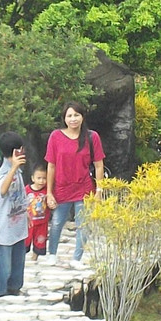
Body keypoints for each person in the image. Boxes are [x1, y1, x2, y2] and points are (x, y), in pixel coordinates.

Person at [45, 101, 104, 264]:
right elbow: (51, 165)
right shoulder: (55, 136)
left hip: (83, 187)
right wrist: (49, 192)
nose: (73, 119)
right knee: (57, 222)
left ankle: (77, 258)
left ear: (83, 117)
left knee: (83, 224)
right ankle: (52, 254)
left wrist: (99, 190)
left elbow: (99, 165)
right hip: (62, 187)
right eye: (69, 115)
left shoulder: (92, 137)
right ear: (64, 118)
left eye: (76, 115)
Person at [0, 132, 29, 297]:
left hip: (18, 223)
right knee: (3, 262)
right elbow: (2, 190)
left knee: (18, 260)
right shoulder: (5, 170)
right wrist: (13, 168)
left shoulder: (19, 171)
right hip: (4, 226)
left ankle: (15, 287)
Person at [25, 162, 50, 263]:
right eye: (38, 178)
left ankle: (35, 257)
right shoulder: (27, 190)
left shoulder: (47, 191)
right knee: (25, 240)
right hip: (29, 222)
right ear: (32, 178)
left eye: (44, 178)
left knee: (40, 240)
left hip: (42, 222)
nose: (41, 181)